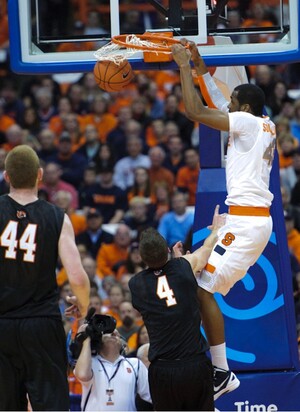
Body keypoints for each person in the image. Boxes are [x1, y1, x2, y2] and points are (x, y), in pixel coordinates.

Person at [171, 40, 276, 399]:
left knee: (201, 288)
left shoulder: (245, 123)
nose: (227, 107)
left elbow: (194, 111)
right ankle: (217, 368)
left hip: (246, 223)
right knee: (196, 282)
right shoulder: (260, 122)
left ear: (244, 109)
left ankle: (222, 371)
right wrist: (201, 67)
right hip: (244, 220)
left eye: (233, 105)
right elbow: (218, 101)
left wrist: (184, 67)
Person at [0, 145, 90, 411]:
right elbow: (77, 276)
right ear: (40, 175)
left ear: (7, 176)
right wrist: (82, 307)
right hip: (41, 324)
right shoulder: (56, 217)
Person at [129, 205, 224, 411]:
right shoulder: (183, 267)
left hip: (164, 370)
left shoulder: (136, 284)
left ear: (142, 258)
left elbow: (160, 286)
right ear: (168, 249)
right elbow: (206, 250)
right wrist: (216, 229)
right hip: (194, 365)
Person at [74, 318, 152, 411]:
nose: (113, 333)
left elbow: (152, 396)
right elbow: (82, 374)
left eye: (116, 334)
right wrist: (87, 339)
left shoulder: (135, 364)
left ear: (123, 344)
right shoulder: (90, 362)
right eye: (107, 332)